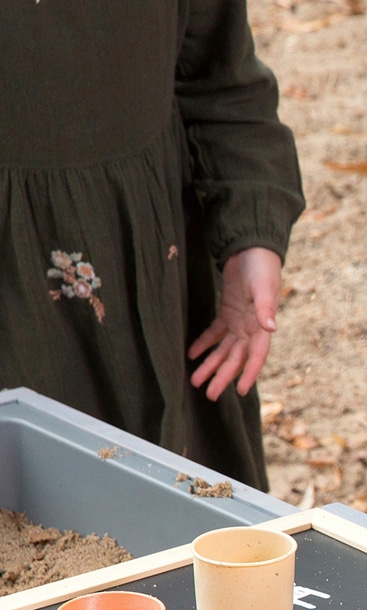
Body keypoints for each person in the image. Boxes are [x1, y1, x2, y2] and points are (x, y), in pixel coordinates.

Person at [0, 1, 305, 491]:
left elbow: (217, 77)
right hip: (16, 327)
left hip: (156, 287)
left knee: (180, 528)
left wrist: (251, 233)